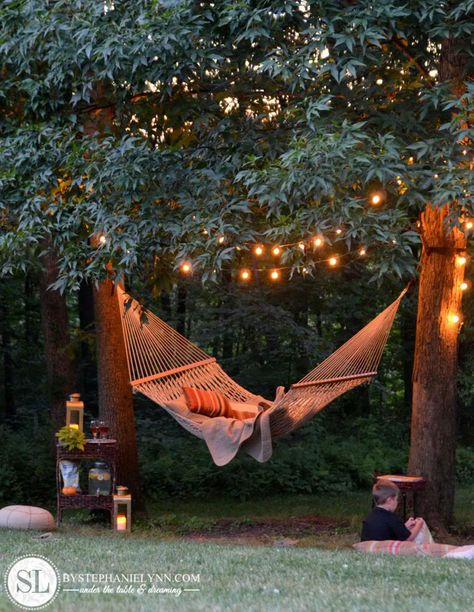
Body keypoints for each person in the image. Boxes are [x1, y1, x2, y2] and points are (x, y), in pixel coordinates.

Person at [360, 479, 430, 542]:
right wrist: (419, 525)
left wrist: (404, 526)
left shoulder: (371, 516)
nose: (397, 502)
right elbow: (408, 538)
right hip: (385, 552)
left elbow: (390, 530)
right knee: (420, 533)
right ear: (390, 500)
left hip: (370, 549)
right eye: (396, 499)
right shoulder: (391, 518)